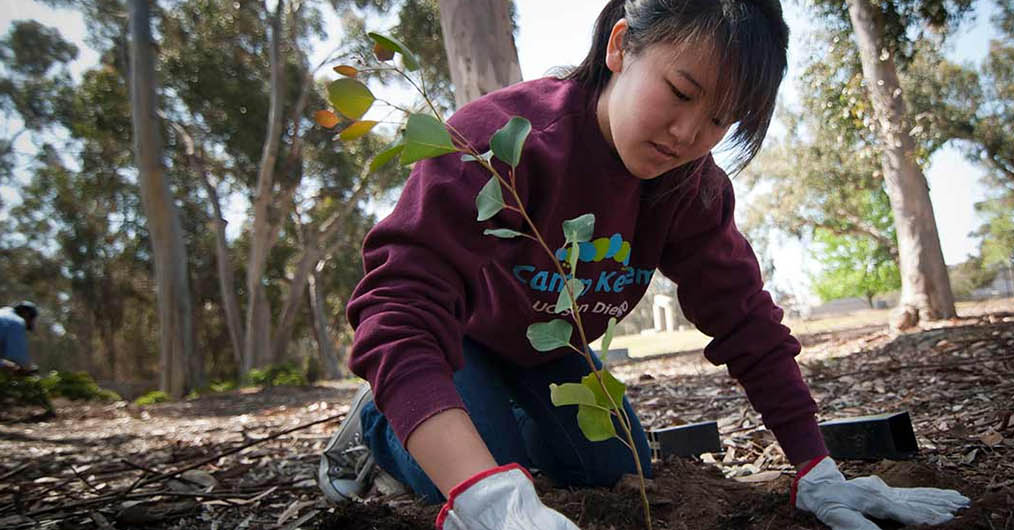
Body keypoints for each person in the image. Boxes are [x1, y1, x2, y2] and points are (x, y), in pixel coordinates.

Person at [318, 1, 971, 528]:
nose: (688, 135)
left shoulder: (691, 188)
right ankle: (381, 420)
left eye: (719, 119)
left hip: (552, 350)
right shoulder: (503, 141)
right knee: (480, 469)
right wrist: (481, 491)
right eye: (681, 91)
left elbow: (745, 322)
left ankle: (485, 425)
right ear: (621, 45)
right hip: (462, 339)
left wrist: (815, 468)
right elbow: (395, 308)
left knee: (612, 467)